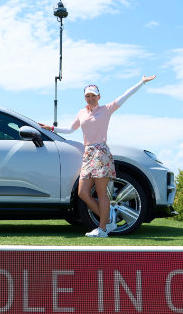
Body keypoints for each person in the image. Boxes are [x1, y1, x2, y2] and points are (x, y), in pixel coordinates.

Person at [40, 75, 156, 238]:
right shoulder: (81, 112)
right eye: (88, 96)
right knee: (82, 192)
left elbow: (125, 96)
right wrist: (52, 128)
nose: (90, 98)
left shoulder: (106, 109)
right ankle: (108, 220)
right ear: (85, 97)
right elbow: (70, 129)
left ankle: (102, 230)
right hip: (88, 154)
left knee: (102, 193)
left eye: (93, 95)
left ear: (99, 97)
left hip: (101, 153)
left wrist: (141, 83)